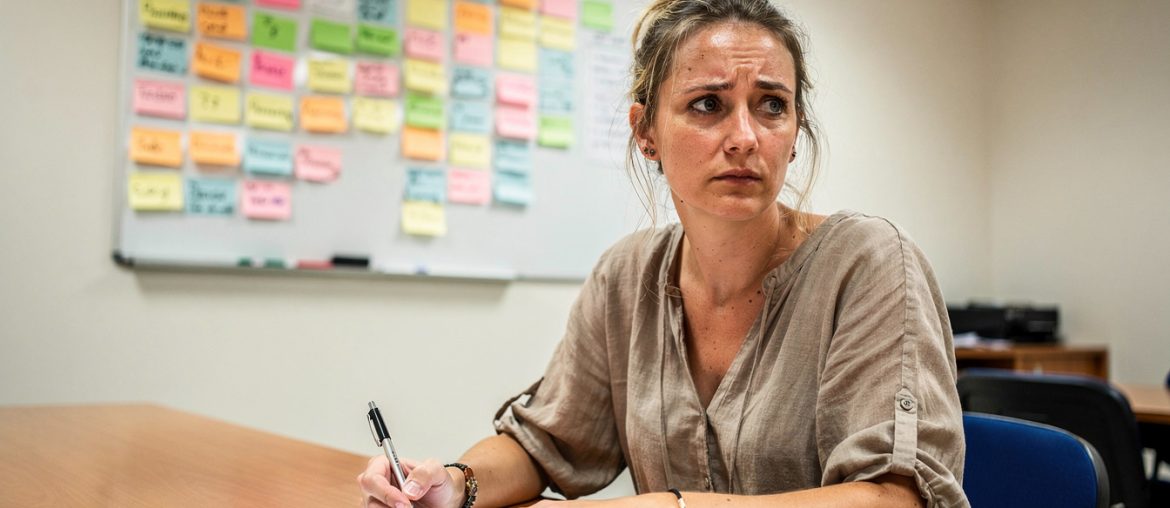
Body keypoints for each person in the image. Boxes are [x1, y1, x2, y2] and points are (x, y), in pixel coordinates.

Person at [359, 0, 969, 506]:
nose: (745, 137)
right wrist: (454, 487)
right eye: (708, 104)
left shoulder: (869, 262)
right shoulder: (627, 275)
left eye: (771, 105)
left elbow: (894, 498)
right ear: (646, 132)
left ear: (794, 132)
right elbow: (544, 442)